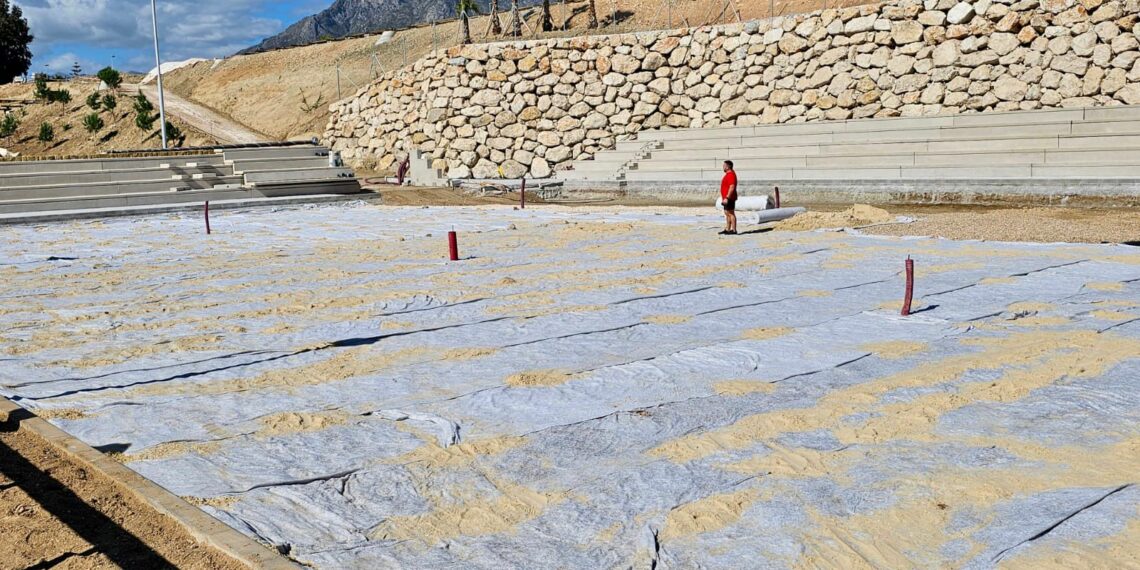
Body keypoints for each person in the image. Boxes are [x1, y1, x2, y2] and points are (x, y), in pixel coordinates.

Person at [719, 160, 738, 235]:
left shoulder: (731, 175)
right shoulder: (728, 174)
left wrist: (727, 197)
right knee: (727, 213)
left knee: (731, 213)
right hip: (726, 198)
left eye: (724, 166)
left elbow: (732, 187)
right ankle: (728, 229)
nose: (723, 167)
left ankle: (734, 230)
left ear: (727, 167)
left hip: (729, 198)